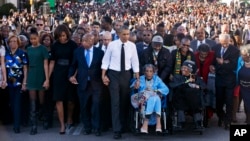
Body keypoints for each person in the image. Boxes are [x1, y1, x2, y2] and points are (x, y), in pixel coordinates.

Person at [101, 25, 140, 139]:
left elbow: (135, 63)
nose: (126, 36)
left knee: (125, 101)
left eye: (128, 34)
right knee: (115, 102)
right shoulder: (112, 45)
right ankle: (116, 129)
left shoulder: (132, 46)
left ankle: (124, 125)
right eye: (124, 34)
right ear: (118, 34)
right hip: (113, 75)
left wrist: (137, 79)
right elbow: (106, 61)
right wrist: (103, 76)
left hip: (126, 75)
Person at [69, 33, 104, 136]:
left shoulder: (100, 53)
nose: (83, 43)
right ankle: (87, 127)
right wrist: (71, 76)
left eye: (85, 41)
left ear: (92, 41)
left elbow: (103, 67)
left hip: (96, 84)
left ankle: (96, 128)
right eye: (82, 40)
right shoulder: (77, 52)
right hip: (82, 83)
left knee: (96, 107)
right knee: (84, 107)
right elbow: (73, 65)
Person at [49, 24, 78, 134]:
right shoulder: (55, 45)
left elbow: (76, 62)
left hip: (70, 72)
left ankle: (69, 118)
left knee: (70, 99)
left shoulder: (73, 45)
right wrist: (48, 77)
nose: (62, 38)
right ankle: (62, 124)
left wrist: (74, 75)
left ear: (67, 34)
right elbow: (52, 62)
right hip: (58, 73)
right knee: (58, 99)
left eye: (63, 35)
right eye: (59, 36)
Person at [211, 33, 239, 130]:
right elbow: (213, 61)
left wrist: (223, 63)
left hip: (229, 79)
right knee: (219, 101)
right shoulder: (215, 48)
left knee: (229, 101)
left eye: (226, 43)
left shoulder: (235, 50)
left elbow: (233, 65)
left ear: (229, 41)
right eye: (222, 43)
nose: (224, 45)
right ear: (219, 41)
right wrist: (213, 66)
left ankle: (228, 121)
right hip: (219, 78)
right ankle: (221, 117)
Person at [130, 64, 169, 133]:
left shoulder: (156, 79)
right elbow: (133, 87)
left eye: (151, 71)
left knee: (154, 97)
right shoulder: (140, 78)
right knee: (155, 98)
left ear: (154, 72)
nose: (149, 73)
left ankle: (145, 124)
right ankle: (158, 124)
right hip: (142, 100)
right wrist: (136, 86)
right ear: (144, 72)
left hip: (153, 100)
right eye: (147, 71)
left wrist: (157, 91)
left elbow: (166, 89)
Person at [169, 60, 206, 130]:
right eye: (182, 67)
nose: (183, 69)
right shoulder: (177, 77)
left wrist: (198, 86)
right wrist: (186, 82)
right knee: (180, 99)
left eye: (185, 68)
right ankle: (180, 122)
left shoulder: (196, 78)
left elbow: (204, 86)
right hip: (181, 100)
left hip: (193, 101)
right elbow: (172, 85)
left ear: (190, 70)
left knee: (195, 99)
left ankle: (198, 123)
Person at [26, 28, 49, 135]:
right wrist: (25, 81)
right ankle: (33, 126)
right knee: (32, 102)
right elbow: (26, 66)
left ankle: (45, 119)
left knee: (42, 101)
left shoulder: (43, 49)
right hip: (31, 76)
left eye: (35, 38)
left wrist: (47, 79)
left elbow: (46, 64)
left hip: (41, 75)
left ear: (38, 38)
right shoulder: (28, 49)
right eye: (31, 39)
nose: (33, 41)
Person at [5, 35, 28, 133]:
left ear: (18, 43)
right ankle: (17, 121)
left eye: (15, 41)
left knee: (17, 104)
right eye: (11, 41)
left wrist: (24, 82)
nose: (12, 43)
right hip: (9, 83)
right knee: (12, 104)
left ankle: (17, 126)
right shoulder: (6, 53)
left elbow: (26, 68)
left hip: (19, 82)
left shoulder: (22, 53)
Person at [236, 45, 250, 125]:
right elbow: (237, 70)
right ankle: (248, 118)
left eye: (244, 55)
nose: (242, 56)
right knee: (246, 103)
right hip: (242, 86)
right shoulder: (240, 60)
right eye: (242, 54)